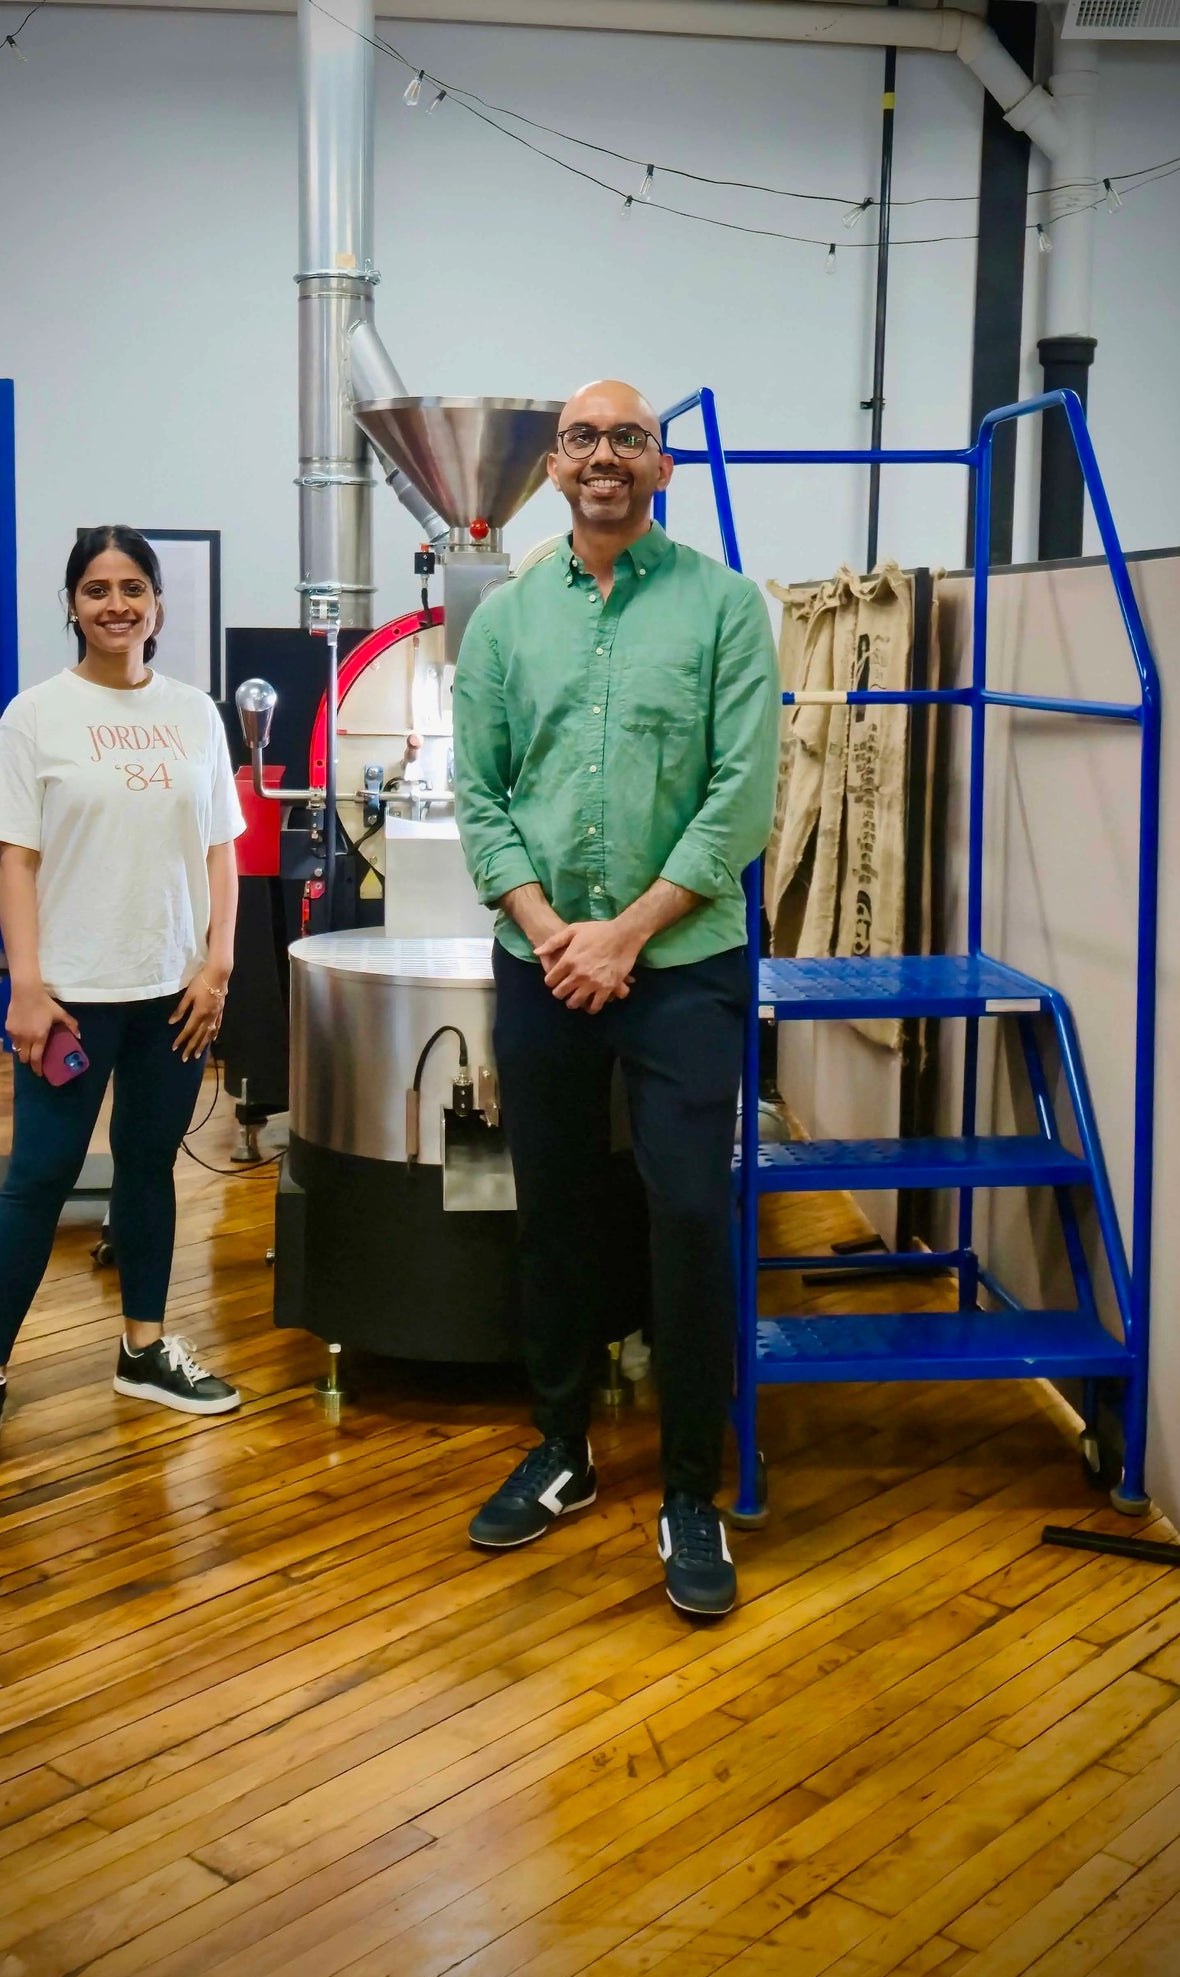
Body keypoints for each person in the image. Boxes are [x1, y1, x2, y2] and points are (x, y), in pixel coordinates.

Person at [452, 380, 780, 1617]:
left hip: (684, 964)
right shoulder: (506, 621)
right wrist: (550, 932)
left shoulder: (726, 608)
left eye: (628, 439)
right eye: (583, 438)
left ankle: (690, 1487)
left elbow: (742, 798)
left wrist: (627, 934)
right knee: (554, 1208)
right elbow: (480, 790)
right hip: (541, 960)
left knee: (690, 1211)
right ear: (552, 468)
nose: (604, 457)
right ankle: (562, 1451)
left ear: (662, 468)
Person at [0, 526, 246, 1476]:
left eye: (134, 587)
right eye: (98, 588)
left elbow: (220, 847)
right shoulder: (36, 715)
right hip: (71, 997)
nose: (117, 603)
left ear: (157, 603)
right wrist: (25, 987)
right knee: (40, 1177)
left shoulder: (196, 713)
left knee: (150, 1174)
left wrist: (218, 961)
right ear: (71, 605)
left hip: (173, 994)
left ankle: (144, 1350)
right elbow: (14, 861)